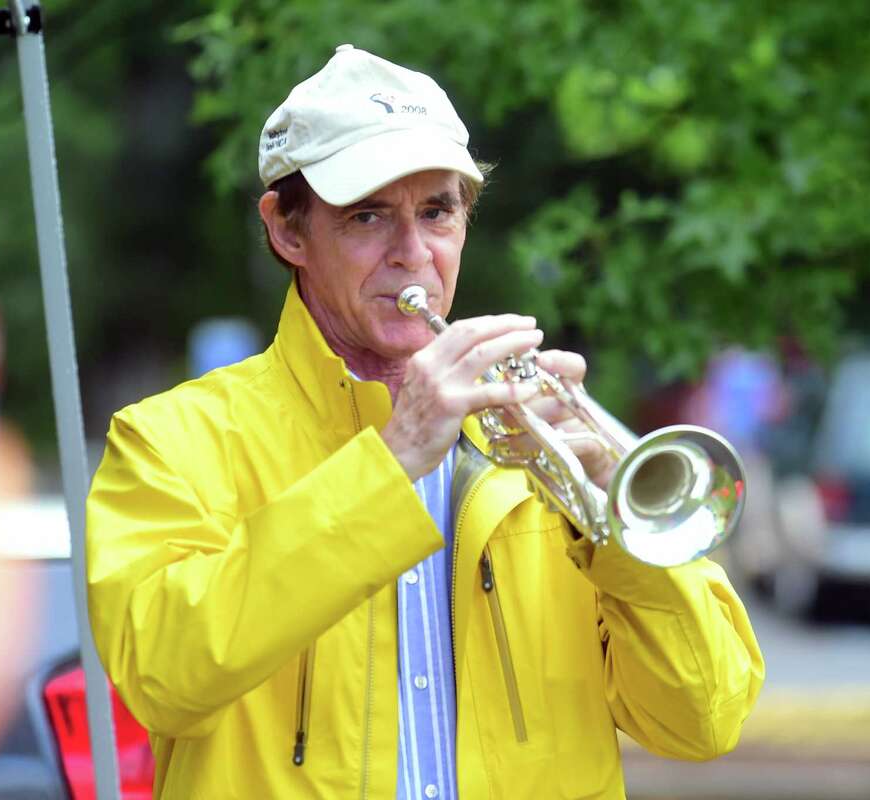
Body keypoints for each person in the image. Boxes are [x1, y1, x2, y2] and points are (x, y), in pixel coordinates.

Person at [86, 45, 764, 799]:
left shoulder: (534, 439)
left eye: (437, 212)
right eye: (368, 216)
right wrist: (394, 457)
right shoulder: (168, 442)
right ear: (288, 231)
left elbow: (705, 719)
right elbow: (164, 678)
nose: (413, 255)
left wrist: (617, 522)